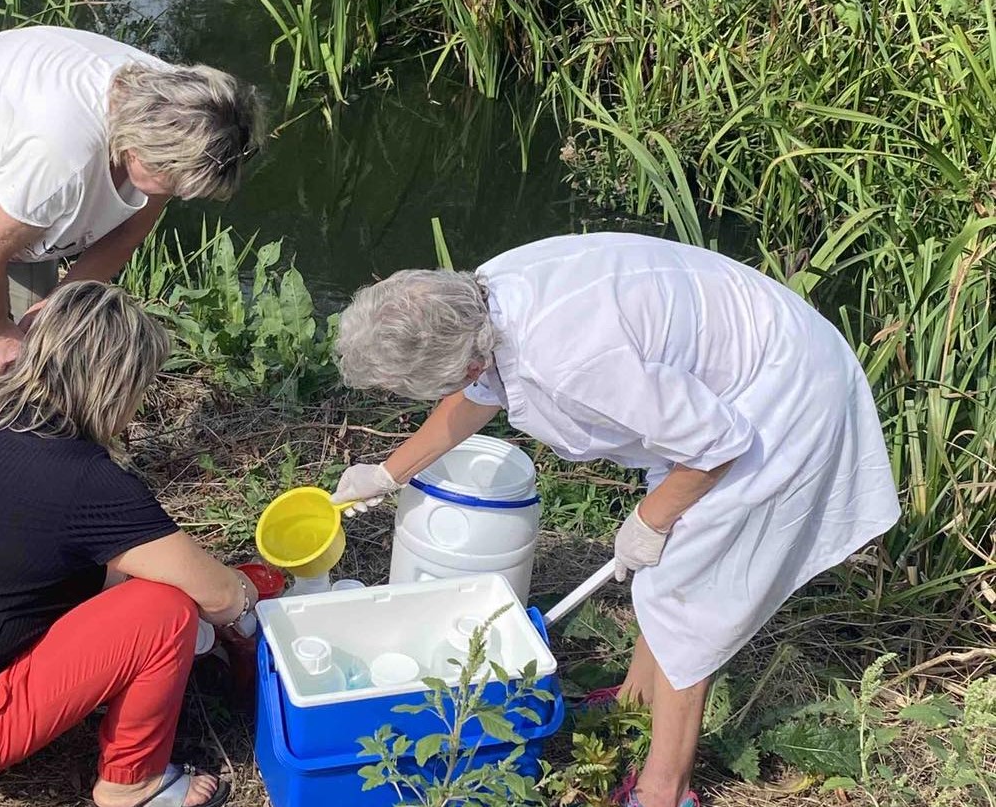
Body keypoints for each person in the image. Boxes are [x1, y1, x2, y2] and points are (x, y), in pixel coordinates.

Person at [328, 233, 900, 807]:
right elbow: (478, 391)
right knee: (668, 571)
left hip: (778, 393)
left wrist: (650, 521)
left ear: (463, 357)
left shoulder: (569, 358)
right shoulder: (479, 298)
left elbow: (718, 443)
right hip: (727, 377)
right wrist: (387, 473)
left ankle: (663, 792)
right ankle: (636, 704)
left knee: (685, 594)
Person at [0, 280, 255, 807]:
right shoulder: (84, 480)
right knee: (163, 609)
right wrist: (247, 609)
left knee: (124, 580)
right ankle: (133, 785)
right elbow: (218, 594)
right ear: (116, 386)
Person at [0, 25, 262, 432]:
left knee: (51, 345)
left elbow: (128, 231)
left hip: (1, 164)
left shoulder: (189, 111)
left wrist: (54, 307)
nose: (178, 196)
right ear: (138, 147)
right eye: (172, 181)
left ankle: (45, 464)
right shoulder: (62, 154)